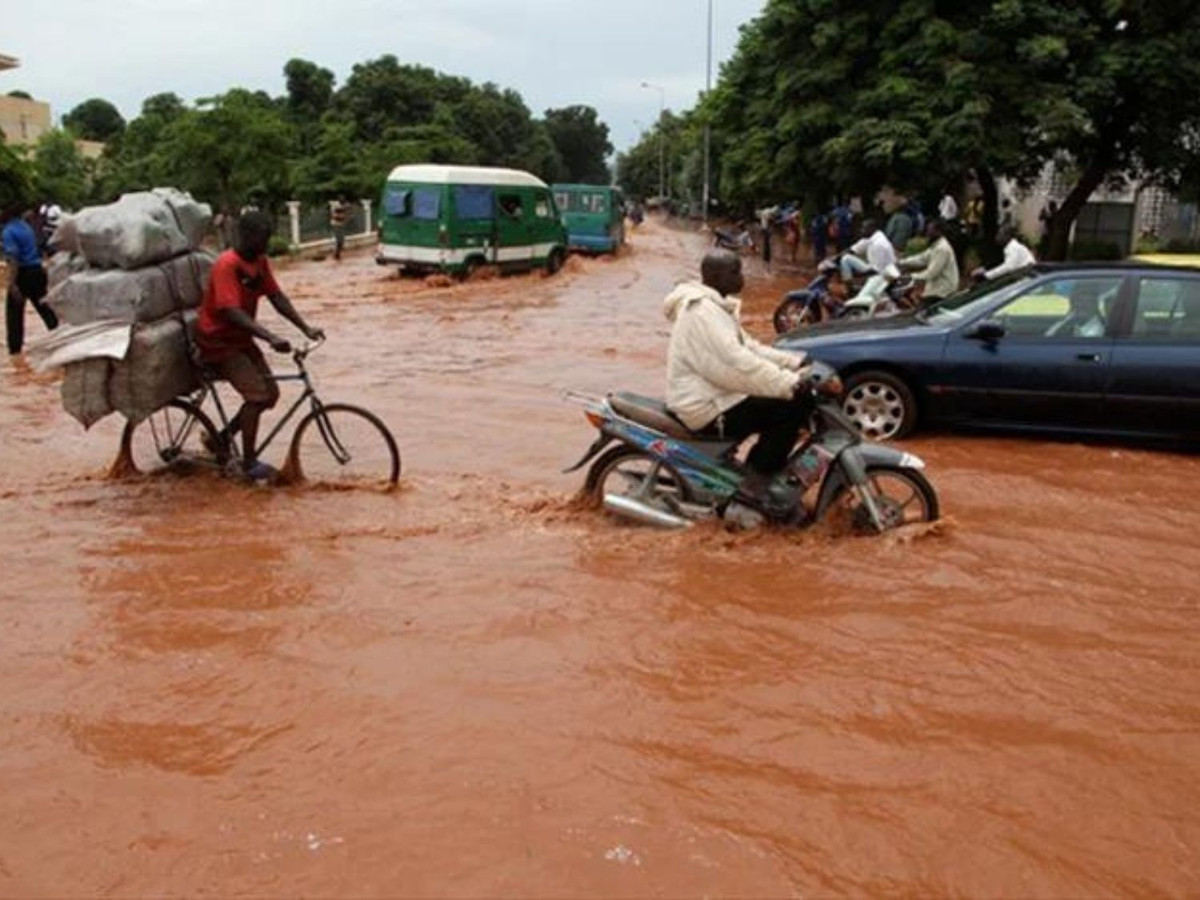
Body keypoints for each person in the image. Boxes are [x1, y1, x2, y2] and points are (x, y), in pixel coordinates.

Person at [663, 250, 811, 513]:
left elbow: (749, 347)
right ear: (715, 276)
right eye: (735, 272)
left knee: (789, 400)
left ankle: (754, 473)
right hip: (706, 407)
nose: (741, 277)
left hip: (716, 396)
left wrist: (794, 362)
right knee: (790, 407)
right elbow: (737, 365)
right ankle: (755, 485)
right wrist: (789, 383)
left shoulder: (716, 307)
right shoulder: (702, 313)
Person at [195, 211, 324, 482]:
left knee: (271, 395)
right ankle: (248, 463)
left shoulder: (260, 262)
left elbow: (277, 297)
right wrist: (270, 337)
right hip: (218, 341)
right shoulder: (227, 265)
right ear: (247, 236)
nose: (266, 244)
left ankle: (221, 439)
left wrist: (305, 327)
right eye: (263, 239)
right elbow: (230, 311)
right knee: (256, 397)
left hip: (242, 339)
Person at [3, 204, 58, 355]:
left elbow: (13, 260)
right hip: (37, 271)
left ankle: (15, 351)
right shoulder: (26, 227)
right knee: (45, 309)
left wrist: (12, 283)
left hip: (22, 273)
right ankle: (59, 336)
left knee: (14, 315)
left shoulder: (9, 231)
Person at [900, 220, 960, 305]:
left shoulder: (942, 249)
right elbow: (921, 258)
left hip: (943, 290)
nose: (927, 233)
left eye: (931, 230)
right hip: (937, 287)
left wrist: (911, 277)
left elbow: (932, 273)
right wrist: (901, 262)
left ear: (938, 231)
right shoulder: (936, 245)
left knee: (924, 309)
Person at [329, 195, 351, 261]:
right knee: (339, 240)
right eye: (341, 199)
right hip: (336, 224)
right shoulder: (336, 205)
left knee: (342, 240)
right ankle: (336, 254)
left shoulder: (344, 205)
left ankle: (337, 253)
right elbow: (334, 215)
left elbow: (348, 209)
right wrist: (343, 213)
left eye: (343, 199)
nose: (343, 200)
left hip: (341, 225)